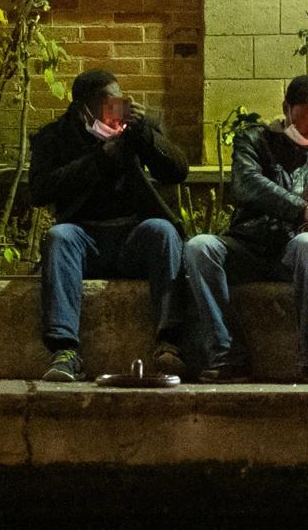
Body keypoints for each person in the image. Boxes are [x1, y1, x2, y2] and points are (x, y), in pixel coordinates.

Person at [182, 76, 308, 384]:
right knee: (200, 247)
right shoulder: (254, 140)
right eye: (305, 123)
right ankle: (228, 353)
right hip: (250, 244)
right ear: (287, 110)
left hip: (296, 254)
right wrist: (300, 209)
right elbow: (247, 184)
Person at [30, 68, 191, 382]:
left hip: (132, 236)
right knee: (59, 237)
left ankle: (169, 343)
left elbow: (177, 170)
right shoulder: (55, 136)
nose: (115, 112)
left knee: (162, 231)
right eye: (108, 106)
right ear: (84, 109)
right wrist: (98, 160)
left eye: (119, 103)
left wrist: (145, 134)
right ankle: (64, 351)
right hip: (84, 237)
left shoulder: (135, 131)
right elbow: (40, 190)